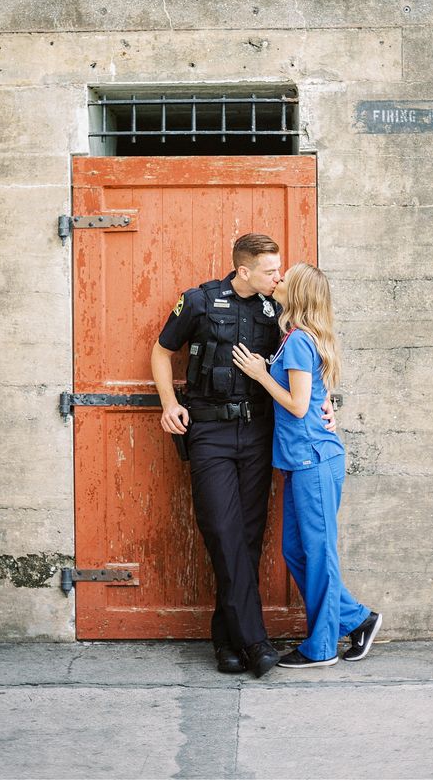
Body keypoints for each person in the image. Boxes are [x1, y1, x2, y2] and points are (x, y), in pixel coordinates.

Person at [233, 263, 382, 668]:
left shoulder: (299, 341)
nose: (277, 280)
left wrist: (261, 375)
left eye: (285, 278)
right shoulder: (295, 338)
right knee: (296, 551)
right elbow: (315, 397)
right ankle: (357, 618)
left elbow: (299, 406)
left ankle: (320, 648)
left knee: (318, 554)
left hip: (314, 459)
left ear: (297, 292)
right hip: (303, 461)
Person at [151, 233, 284, 678]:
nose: (277, 276)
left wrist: (320, 398)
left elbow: (308, 352)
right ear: (243, 270)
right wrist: (170, 403)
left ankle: (226, 642)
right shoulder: (199, 301)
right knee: (224, 534)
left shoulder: (277, 307)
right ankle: (256, 642)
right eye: (269, 270)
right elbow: (162, 350)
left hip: (260, 431)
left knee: (246, 538)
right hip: (210, 432)